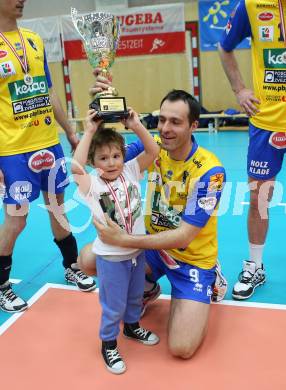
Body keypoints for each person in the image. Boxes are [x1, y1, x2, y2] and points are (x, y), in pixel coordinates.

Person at [91, 77, 227, 359]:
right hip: (153, 250)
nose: (165, 128)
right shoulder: (150, 145)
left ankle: (211, 276)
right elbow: (105, 158)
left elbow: (185, 235)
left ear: (193, 126)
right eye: (162, 119)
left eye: (175, 122)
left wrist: (124, 239)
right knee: (90, 259)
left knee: (181, 348)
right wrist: (100, 113)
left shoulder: (210, 172)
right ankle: (148, 287)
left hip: (191, 257)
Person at [0, 0, 96, 313]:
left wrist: (69, 131)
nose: (21, 0)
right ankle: (2, 285)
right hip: (13, 150)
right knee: (17, 220)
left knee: (58, 208)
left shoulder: (34, 39)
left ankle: (71, 265)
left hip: (47, 143)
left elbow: (49, 91)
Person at [72, 108, 160, 374]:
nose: (111, 162)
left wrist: (135, 124)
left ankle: (132, 327)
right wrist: (88, 131)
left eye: (116, 156)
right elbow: (75, 167)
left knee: (135, 297)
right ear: (93, 162)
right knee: (113, 304)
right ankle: (108, 343)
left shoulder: (131, 171)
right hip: (111, 257)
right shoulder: (92, 185)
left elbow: (153, 150)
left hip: (137, 252)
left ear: (123, 156)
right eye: (103, 158)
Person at [218, 0, 286, 300]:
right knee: (259, 197)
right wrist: (239, 89)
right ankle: (255, 266)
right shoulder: (251, 5)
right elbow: (225, 46)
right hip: (266, 122)